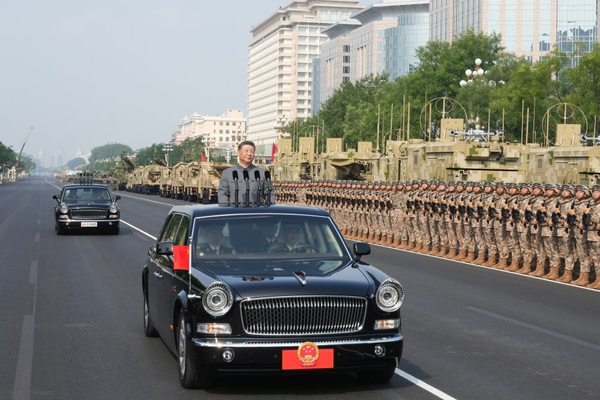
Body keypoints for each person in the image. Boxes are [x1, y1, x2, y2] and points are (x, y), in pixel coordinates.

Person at [218, 140, 276, 206]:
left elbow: (270, 194)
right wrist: (227, 210)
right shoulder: (228, 173)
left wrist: (268, 209)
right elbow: (223, 194)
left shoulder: (262, 173)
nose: (249, 154)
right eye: (246, 151)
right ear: (238, 152)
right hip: (234, 211)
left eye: (252, 152)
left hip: (256, 211)